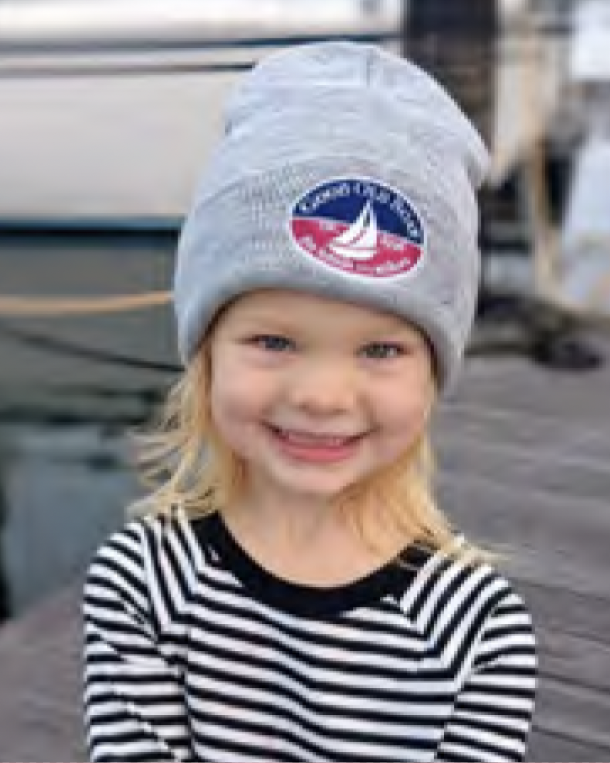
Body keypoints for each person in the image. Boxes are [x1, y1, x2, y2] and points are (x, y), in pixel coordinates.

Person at [82, 41, 537, 762]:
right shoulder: (142, 580)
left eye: (380, 349)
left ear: (433, 372)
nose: (323, 397)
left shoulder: (477, 629)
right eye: (273, 341)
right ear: (206, 353)